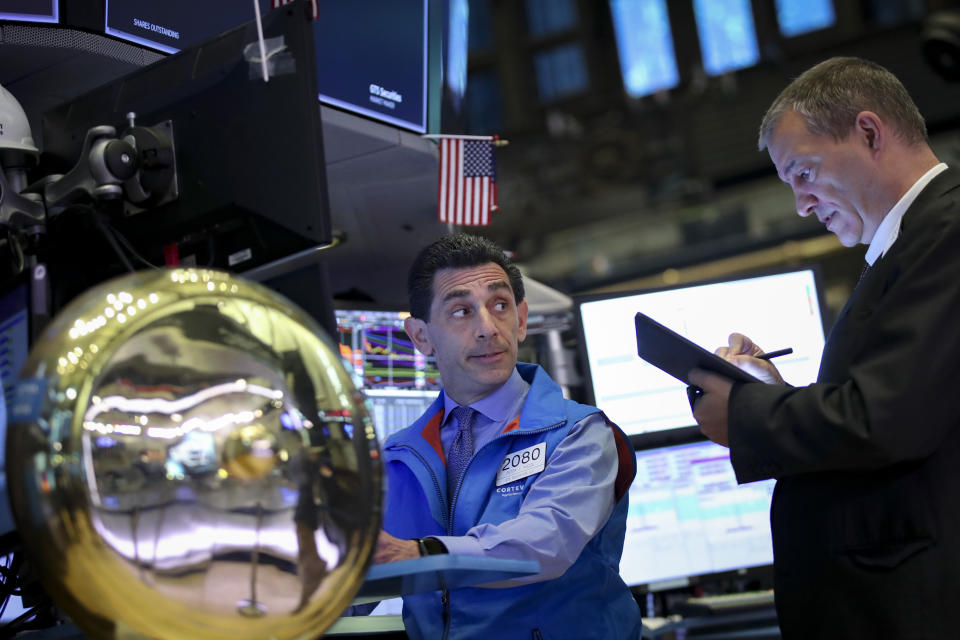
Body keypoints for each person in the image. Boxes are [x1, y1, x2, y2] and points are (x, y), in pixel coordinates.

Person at [689, 56, 960, 639]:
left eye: (804, 173)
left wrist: (742, 414)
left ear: (868, 133)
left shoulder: (949, 228)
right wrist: (773, 392)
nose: (801, 205)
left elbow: (883, 420)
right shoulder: (915, 241)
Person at [374, 233, 641, 639]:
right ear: (421, 336)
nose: (487, 328)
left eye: (500, 306)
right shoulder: (398, 457)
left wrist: (419, 556)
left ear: (520, 320)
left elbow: (542, 546)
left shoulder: (580, 434)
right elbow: (354, 579)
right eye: (461, 311)